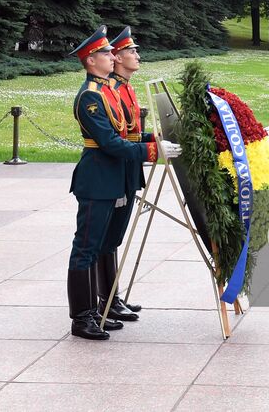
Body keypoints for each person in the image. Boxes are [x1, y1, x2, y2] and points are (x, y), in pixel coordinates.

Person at [66, 26, 180, 341]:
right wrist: (154, 149)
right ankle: (82, 317)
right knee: (85, 249)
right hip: (98, 179)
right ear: (91, 61)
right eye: (105, 53)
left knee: (105, 243)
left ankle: (102, 307)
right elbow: (109, 144)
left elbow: (125, 134)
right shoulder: (89, 97)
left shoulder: (108, 92)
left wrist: (155, 139)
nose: (112, 56)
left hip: (114, 177)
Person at [99, 26, 158, 323]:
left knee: (114, 238)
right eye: (131, 51)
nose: (137, 55)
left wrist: (156, 140)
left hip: (129, 169)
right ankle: (105, 301)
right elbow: (117, 138)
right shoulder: (110, 90)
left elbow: (132, 134)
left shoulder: (127, 88)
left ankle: (112, 298)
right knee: (107, 238)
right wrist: (150, 149)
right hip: (117, 170)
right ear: (118, 57)